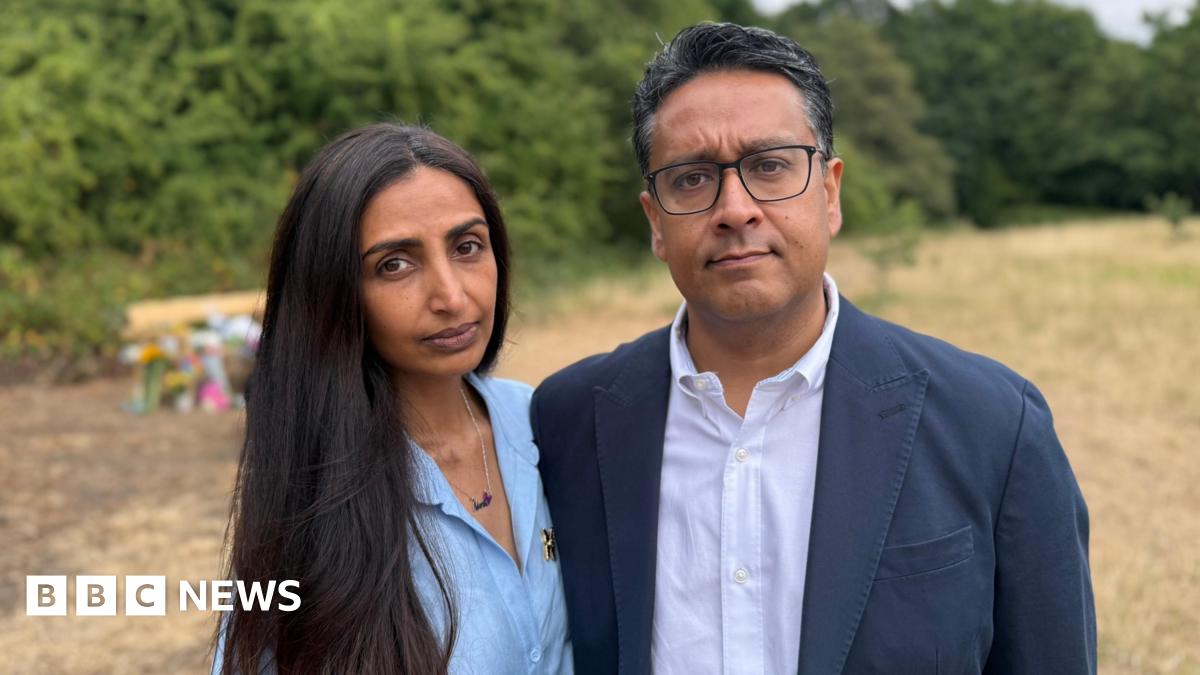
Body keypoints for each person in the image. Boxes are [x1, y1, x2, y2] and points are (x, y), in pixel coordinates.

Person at [531, 22, 1095, 674]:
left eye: (769, 166)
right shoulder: (568, 422)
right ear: (655, 221)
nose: (735, 209)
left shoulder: (994, 424)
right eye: (691, 178)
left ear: (829, 192)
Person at [212, 123, 571, 674]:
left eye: (467, 246)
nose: (452, 296)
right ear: (332, 295)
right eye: (394, 264)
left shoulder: (544, 423)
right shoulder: (313, 491)